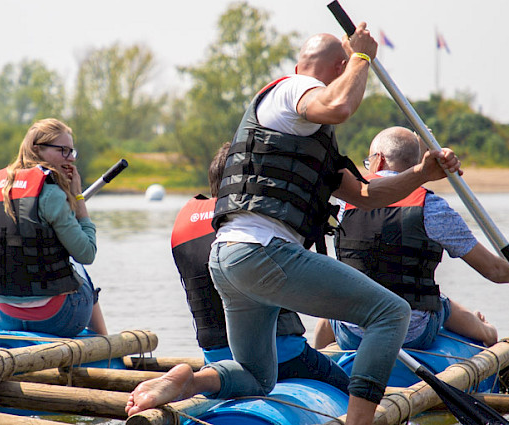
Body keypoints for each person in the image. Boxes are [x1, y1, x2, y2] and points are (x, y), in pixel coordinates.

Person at [126, 25, 462, 425]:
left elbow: (366, 195)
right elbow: (340, 105)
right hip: (263, 253)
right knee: (390, 313)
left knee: (257, 376)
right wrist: (363, 57)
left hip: (230, 259)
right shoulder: (293, 89)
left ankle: (190, 381)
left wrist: (421, 173)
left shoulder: (305, 133)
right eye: (347, 69)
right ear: (338, 67)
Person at [313, 127, 509, 353]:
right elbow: (494, 270)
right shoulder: (432, 207)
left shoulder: (344, 202)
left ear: (378, 160)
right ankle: (487, 332)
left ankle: (317, 362)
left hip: (352, 333)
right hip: (412, 332)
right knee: (440, 302)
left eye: (367, 161)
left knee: (332, 304)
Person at [170, 142, 349, 393]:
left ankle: (199, 382)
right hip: (283, 356)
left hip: (216, 358)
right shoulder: (262, 220)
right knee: (350, 388)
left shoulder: (184, 223)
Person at [0, 118, 107, 337]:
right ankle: (104, 342)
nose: (71, 158)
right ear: (37, 149)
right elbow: (87, 253)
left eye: (72, 151)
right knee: (78, 267)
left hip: (4, 317)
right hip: (57, 319)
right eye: (63, 150)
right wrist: (78, 198)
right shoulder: (52, 194)